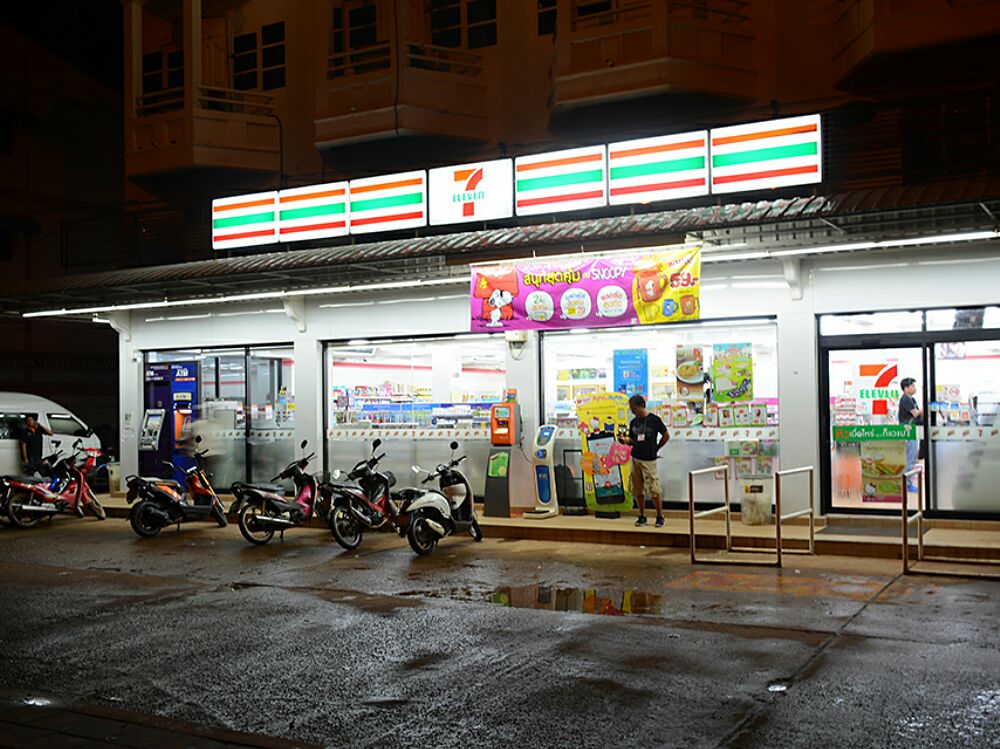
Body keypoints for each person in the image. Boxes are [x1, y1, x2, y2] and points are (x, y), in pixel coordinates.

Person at [620, 394, 670, 527]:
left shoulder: (654, 420)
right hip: (635, 457)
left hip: (649, 459)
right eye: (631, 409)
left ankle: (659, 515)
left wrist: (657, 448)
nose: (632, 411)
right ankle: (642, 515)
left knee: (654, 488)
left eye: (634, 408)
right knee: (637, 488)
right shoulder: (633, 422)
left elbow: (666, 435)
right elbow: (632, 439)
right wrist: (625, 441)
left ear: (641, 406)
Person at [899, 377, 922, 493]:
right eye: (912, 386)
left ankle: (908, 483)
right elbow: (916, 413)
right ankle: (907, 484)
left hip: (912, 430)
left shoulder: (912, 399)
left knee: (911, 458)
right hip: (908, 431)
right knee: (910, 458)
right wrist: (925, 407)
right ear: (906, 388)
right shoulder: (905, 399)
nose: (914, 388)